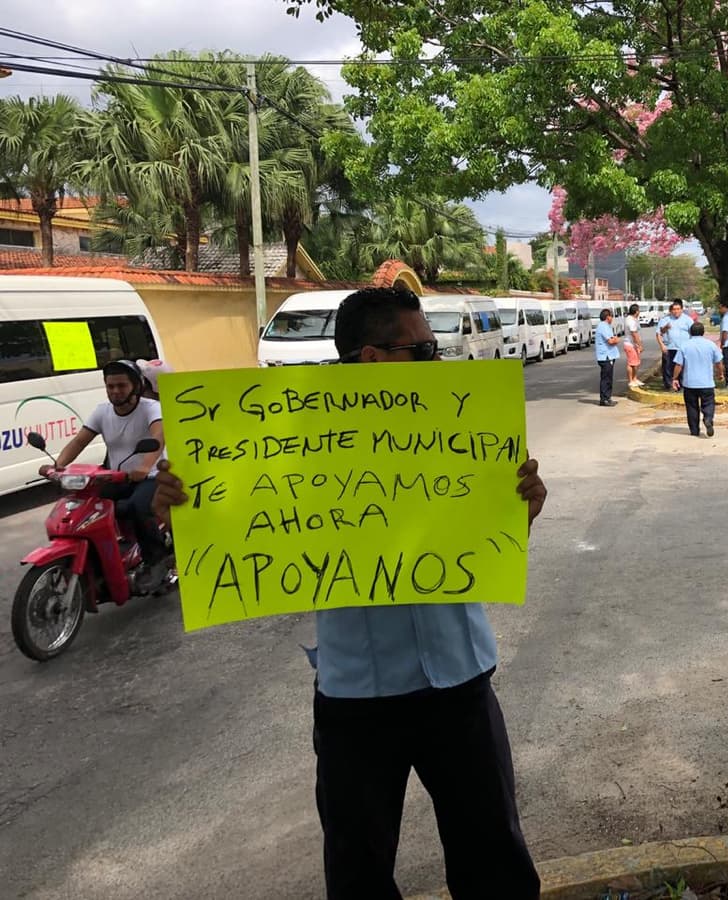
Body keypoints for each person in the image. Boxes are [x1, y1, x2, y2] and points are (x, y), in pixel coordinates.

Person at [154, 286, 546, 900]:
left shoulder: (458, 422)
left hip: (460, 681)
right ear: (371, 357)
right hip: (359, 696)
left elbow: (481, 538)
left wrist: (520, 505)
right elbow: (240, 525)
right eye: (423, 350)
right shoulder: (293, 435)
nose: (437, 362)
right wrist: (186, 508)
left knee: (494, 858)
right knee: (358, 871)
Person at [41, 359, 168, 590]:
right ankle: (104, 556)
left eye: (122, 386)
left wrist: (145, 466)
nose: (115, 391)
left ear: (136, 386)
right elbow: (79, 441)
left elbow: (158, 436)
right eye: (111, 386)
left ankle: (155, 559)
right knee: (88, 507)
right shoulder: (102, 411)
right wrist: (57, 466)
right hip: (117, 476)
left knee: (136, 507)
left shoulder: (151, 408)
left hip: (150, 475)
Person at [671, 322, 723, 438]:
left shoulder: (684, 346)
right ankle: (708, 418)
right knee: (708, 403)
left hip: (690, 383)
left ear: (690, 332)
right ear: (703, 332)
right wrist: (720, 374)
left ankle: (694, 430)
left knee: (692, 407)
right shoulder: (711, 345)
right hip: (707, 383)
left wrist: (675, 378)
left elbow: (678, 365)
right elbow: (718, 362)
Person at [657, 300, 692, 392]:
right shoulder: (665, 319)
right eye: (674, 309)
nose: (676, 311)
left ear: (682, 309)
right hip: (669, 348)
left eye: (678, 309)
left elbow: (693, 333)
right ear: (671, 310)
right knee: (668, 367)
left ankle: (682, 385)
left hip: (683, 348)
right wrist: (662, 345)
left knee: (682, 367)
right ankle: (669, 385)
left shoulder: (688, 320)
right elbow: (659, 333)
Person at [594, 307, 622, 406]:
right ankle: (604, 399)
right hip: (605, 356)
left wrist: (615, 339)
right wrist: (616, 340)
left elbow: (612, 338)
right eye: (611, 316)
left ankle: (608, 397)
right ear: (607, 317)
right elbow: (611, 341)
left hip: (609, 355)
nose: (612, 318)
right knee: (606, 378)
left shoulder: (606, 326)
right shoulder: (603, 326)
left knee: (609, 378)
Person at [623, 303, 644, 388]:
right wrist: (640, 345)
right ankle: (631, 380)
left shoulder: (634, 319)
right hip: (630, 344)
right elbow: (634, 334)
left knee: (637, 362)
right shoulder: (630, 320)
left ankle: (635, 378)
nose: (639, 312)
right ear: (636, 311)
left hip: (634, 344)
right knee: (632, 363)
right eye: (639, 310)